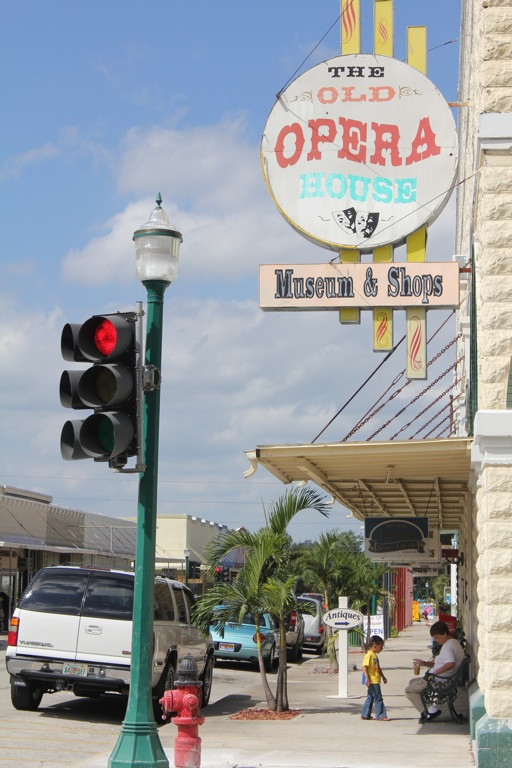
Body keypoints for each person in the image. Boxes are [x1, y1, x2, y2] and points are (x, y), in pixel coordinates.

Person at [405, 620, 466, 723]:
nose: (435, 640)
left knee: (409, 690)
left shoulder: (448, 646)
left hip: (440, 681)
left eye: (437, 637)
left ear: (444, 634)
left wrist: (433, 674)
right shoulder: (453, 643)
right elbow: (442, 663)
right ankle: (427, 709)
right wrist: (425, 663)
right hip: (445, 679)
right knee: (412, 682)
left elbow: (450, 663)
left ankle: (431, 710)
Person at [361, 635, 390, 721]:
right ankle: (381, 715)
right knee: (378, 698)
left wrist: (383, 677)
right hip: (372, 681)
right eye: (381, 647)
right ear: (375, 646)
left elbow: (378, 668)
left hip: (375, 680)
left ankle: (365, 714)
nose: (381, 649)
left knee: (371, 697)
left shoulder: (374, 655)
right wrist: (367, 678)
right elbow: (364, 666)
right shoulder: (369, 655)